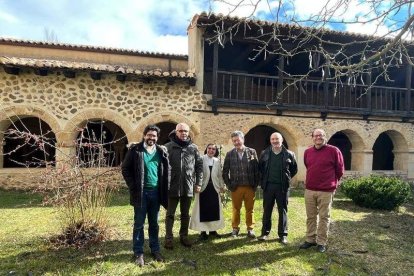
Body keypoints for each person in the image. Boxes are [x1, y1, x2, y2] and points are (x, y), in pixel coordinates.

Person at [121, 125, 170, 267]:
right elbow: (125, 169)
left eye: (154, 136)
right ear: (144, 135)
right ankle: (138, 252)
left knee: (154, 224)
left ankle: (155, 250)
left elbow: (166, 170)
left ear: (157, 138)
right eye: (149, 135)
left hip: (156, 193)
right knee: (139, 224)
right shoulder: (135, 150)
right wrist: (133, 186)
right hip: (141, 193)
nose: (151, 138)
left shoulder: (161, 152)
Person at [300, 128, 344, 253]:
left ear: (325, 137)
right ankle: (310, 239)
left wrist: (332, 183)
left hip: (326, 190)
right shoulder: (308, 151)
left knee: (324, 217)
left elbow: (340, 170)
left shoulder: (334, 151)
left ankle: (321, 242)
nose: (318, 137)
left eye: (321, 135)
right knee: (310, 216)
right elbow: (308, 166)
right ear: (312, 137)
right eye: (316, 135)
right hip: (310, 189)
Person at [164, 122, 203, 249]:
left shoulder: (193, 148)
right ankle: (169, 238)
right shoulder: (168, 147)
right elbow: (162, 167)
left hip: (188, 185)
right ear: (176, 132)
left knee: (185, 214)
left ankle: (184, 236)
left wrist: (198, 183)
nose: (183, 133)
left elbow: (199, 166)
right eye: (180, 131)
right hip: (172, 186)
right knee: (170, 214)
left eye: (185, 131)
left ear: (188, 132)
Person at [258, 132, 298, 245]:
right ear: (270, 141)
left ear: (282, 140)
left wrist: (286, 179)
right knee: (267, 210)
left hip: (282, 187)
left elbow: (294, 169)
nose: (275, 141)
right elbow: (260, 168)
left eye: (277, 139)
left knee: (283, 211)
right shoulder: (264, 153)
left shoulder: (289, 154)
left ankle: (283, 235)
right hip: (268, 186)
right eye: (273, 139)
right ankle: (265, 233)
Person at [223, 130, 260, 238]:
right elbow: (225, 171)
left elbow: (257, 169)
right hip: (236, 187)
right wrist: (229, 185)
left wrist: (255, 184)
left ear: (242, 139)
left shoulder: (252, 152)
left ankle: (250, 229)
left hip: (250, 186)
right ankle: (235, 228)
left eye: (238, 140)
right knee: (235, 209)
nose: (236, 142)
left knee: (250, 209)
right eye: (234, 141)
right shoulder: (230, 154)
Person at [189, 143, 226, 240]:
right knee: (203, 210)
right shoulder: (201, 159)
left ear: (215, 151)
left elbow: (219, 175)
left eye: (213, 149)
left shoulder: (217, 161)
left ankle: (213, 230)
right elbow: (196, 173)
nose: (211, 150)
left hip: (214, 188)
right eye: (209, 148)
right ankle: (203, 232)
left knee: (214, 210)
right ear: (206, 149)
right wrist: (196, 185)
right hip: (203, 188)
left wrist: (222, 186)